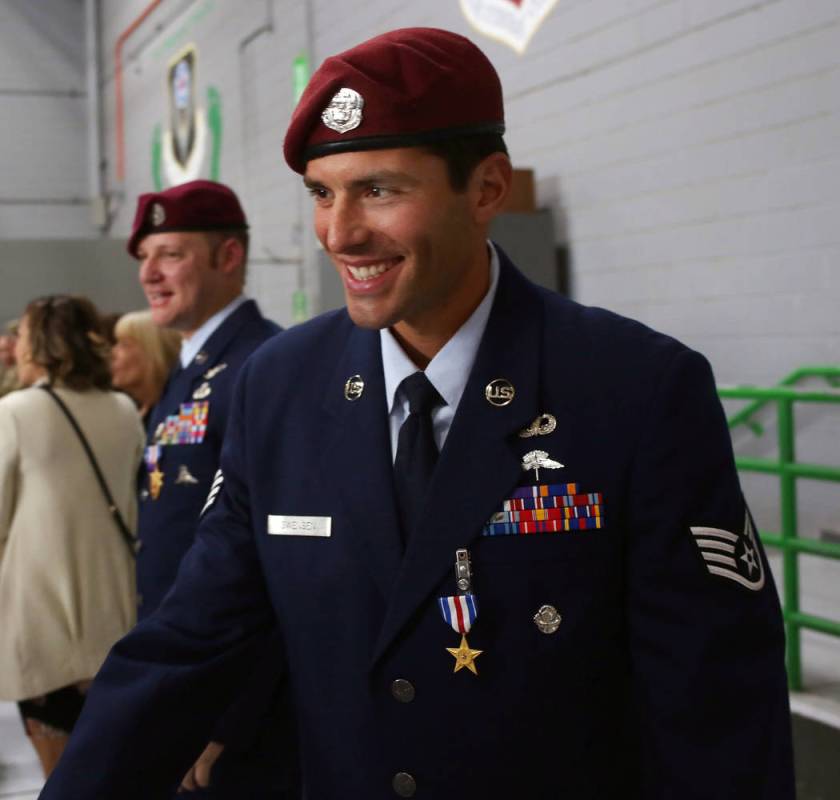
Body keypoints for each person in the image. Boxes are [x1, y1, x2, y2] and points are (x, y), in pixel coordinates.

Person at [42, 28, 795, 799]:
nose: (341, 233)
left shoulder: (633, 390)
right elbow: (189, 643)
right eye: (322, 193)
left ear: (488, 188)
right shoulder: (280, 389)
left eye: (380, 189)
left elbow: (717, 708)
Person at [126, 179, 292, 798]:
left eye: (170, 254)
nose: (150, 274)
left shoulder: (263, 363)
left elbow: (281, 558)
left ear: (229, 256)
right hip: (187, 674)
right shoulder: (193, 366)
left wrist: (227, 713)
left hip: (234, 704)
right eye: (145, 258)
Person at [0, 295, 144, 778]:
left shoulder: (16, 412)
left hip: (41, 622)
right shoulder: (124, 409)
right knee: (106, 769)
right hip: (113, 617)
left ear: (37, 343)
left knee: (58, 776)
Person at [110, 309, 181, 424]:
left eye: (125, 345)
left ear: (153, 352)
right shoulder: (134, 411)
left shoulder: (178, 411)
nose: (113, 353)